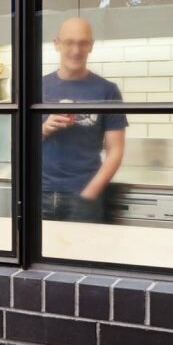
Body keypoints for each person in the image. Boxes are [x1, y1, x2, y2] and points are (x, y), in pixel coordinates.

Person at [40, 16, 126, 223]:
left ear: (91, 46)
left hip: (85, 196)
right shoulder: (36, 87)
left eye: (82, 43)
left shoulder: (107, 91)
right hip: (38, 193)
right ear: (57, 44)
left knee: (79, 254)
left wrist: (89, 195)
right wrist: (43, 129)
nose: (76, 50)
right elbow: (15, 145)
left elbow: (115, 150)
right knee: (38, 256)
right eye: (69, 42)